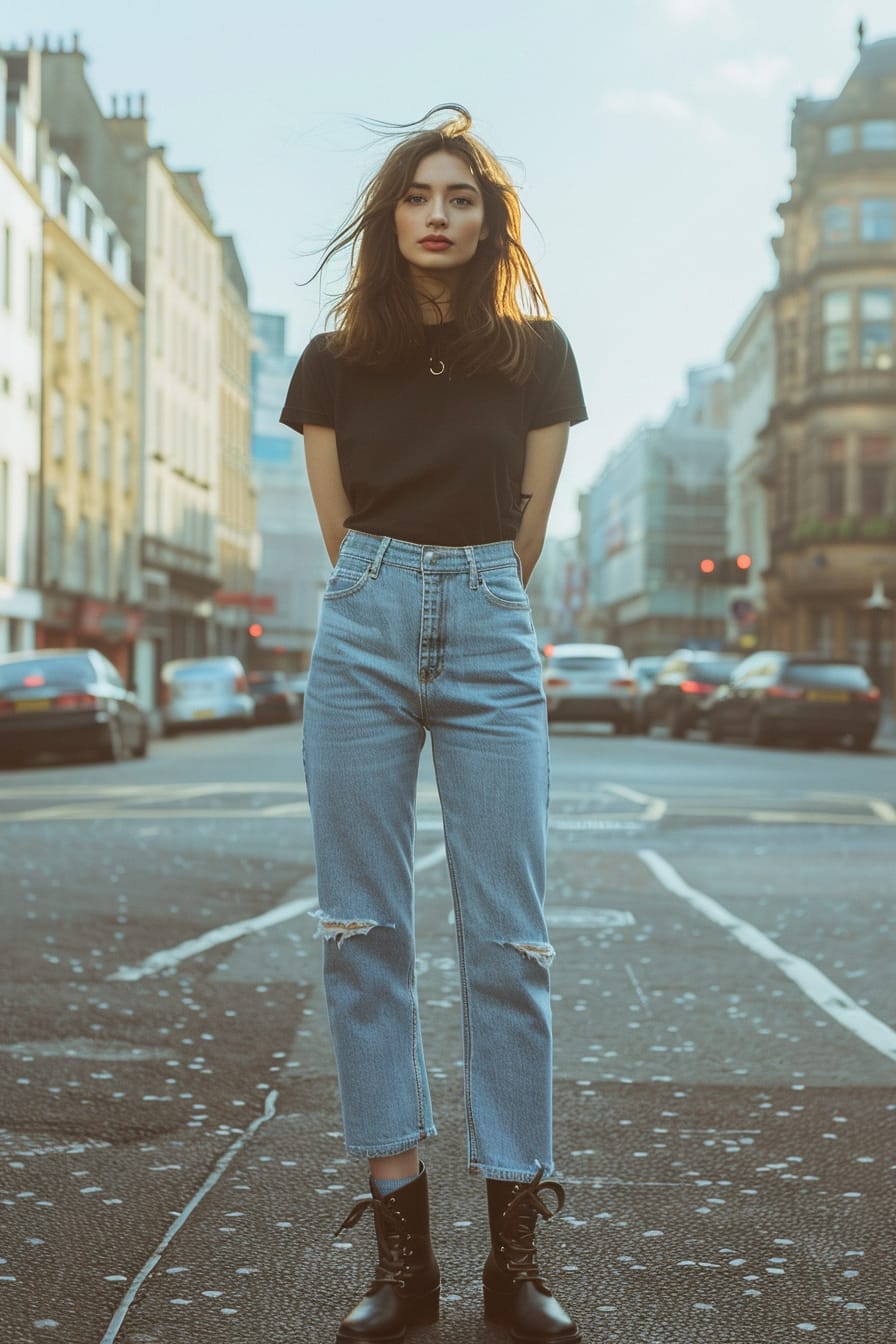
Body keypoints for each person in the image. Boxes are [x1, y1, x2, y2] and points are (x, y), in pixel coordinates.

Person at [280, 105, 587, 1344]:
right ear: (390, 217)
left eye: (462, 196)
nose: (440, 214)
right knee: (363, 935)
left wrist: (460, 593)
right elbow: (338, 523)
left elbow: (528, 525)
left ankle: (512, 1261)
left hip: (488, 619)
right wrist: (398, 587)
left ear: (486, 217)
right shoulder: (331, 360)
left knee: (509, 942)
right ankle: (401, 1259)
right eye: (420, 195)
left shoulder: (538, 355)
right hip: (363, 615)